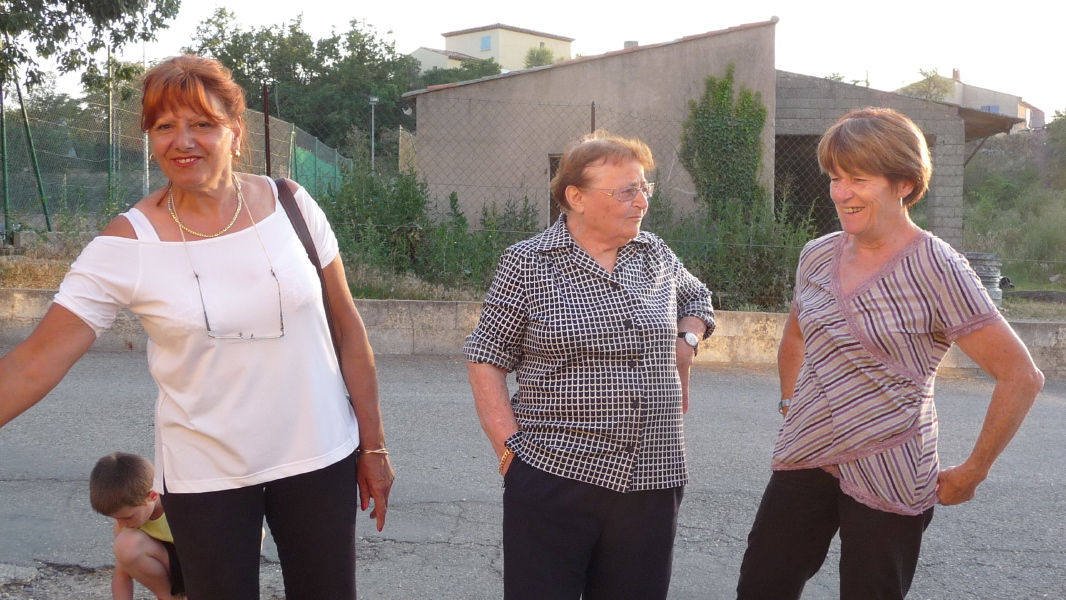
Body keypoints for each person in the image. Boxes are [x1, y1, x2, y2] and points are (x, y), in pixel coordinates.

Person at [0, 55, 394, 600]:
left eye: (203, 123)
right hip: (206, 476)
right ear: (150, 138)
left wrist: (373, 447)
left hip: (320, 455)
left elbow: (348, 330)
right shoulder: (126, 244)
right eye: (165, 126)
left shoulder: (292, 205)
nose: (183, 141)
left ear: (235, 131)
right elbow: (34, 362)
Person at [735, 107, 1044, 600]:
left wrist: (974, 469)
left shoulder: (939, 268)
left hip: (893, 462)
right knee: (762, 584)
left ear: (904, 183)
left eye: (859, 179)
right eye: (835, 178)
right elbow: (795, 335)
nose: (841, 193)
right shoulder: (817, 254)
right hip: (806, 451)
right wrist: (792, 405)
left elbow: (1021, 376)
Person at [465, 130, 715, 600]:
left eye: (644, 187)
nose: (641, 201)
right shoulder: (528, 263)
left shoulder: (656, 254)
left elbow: (697, 297)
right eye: (626, 191)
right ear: (575, 197)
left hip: (653, 475)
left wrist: (687, 340)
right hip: (555, 473)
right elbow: (486, 357)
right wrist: (510, 455)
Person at [90, 453, 185, 600]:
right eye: (116, 519)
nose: (122, 524)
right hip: (176, 567)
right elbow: (122, 572)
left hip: (202, 568)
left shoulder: (179, 507)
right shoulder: (126, 520)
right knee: (126, 545)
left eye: (127, 517)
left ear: (152, 495)